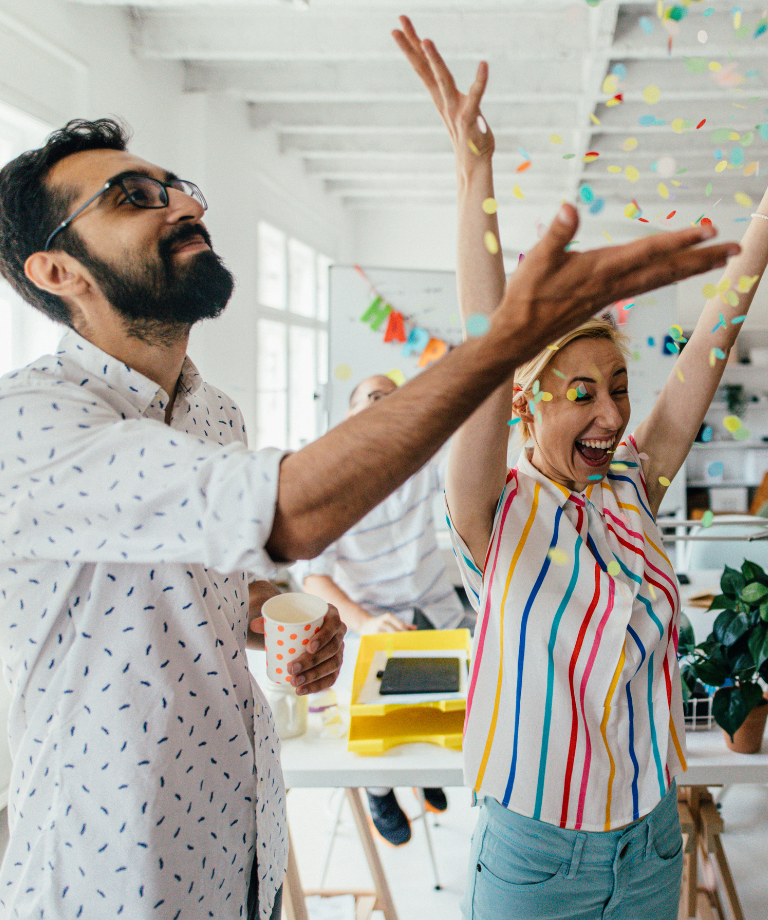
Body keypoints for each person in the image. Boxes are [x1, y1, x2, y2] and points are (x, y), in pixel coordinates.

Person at [0, 106, 736, 920]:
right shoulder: (30, 421)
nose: (182, 204)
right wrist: (495, 298)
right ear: (56, 271)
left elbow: (204, 586)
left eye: (174, 185)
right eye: (130, 196)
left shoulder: (212, 412)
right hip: (106, 877)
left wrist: (280, 625)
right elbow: (291, 513)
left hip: (239, 852)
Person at [394, 15, 768, 920]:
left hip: (649, 840)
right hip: (534, 858)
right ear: (526, 406)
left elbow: (704, 360)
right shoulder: (495, 512)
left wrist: (759, 236)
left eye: (617, 386)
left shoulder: (629, 487)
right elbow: (486, 355)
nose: (609, 414)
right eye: (578, 394)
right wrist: (474, 175)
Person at [297, 373, 470, 846]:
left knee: (463, 695)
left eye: (396, 399)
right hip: (366, 618)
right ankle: (380, 791)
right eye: (373, 397)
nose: (386, 405)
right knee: (370, 712)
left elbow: (469, 466)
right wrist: (365, 621)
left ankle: (426, 765)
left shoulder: (425, 457)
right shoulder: (330, 479)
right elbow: (313, 578)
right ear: (349, 416)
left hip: (434, 607)